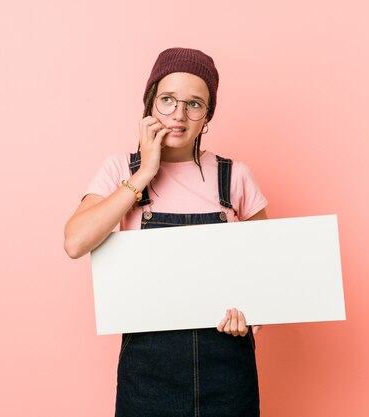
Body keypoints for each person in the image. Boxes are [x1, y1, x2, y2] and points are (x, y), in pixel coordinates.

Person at [64, 47, 268, 417]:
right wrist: (143, 174)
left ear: (207, 115)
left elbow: (267, 272)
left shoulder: (234, 176)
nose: (178, 115)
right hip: (147, 372)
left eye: (194, 104)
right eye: (168, 100)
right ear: (150, 103)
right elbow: (76, 242)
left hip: (228, 368)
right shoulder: (119, 170)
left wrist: (250, 317)